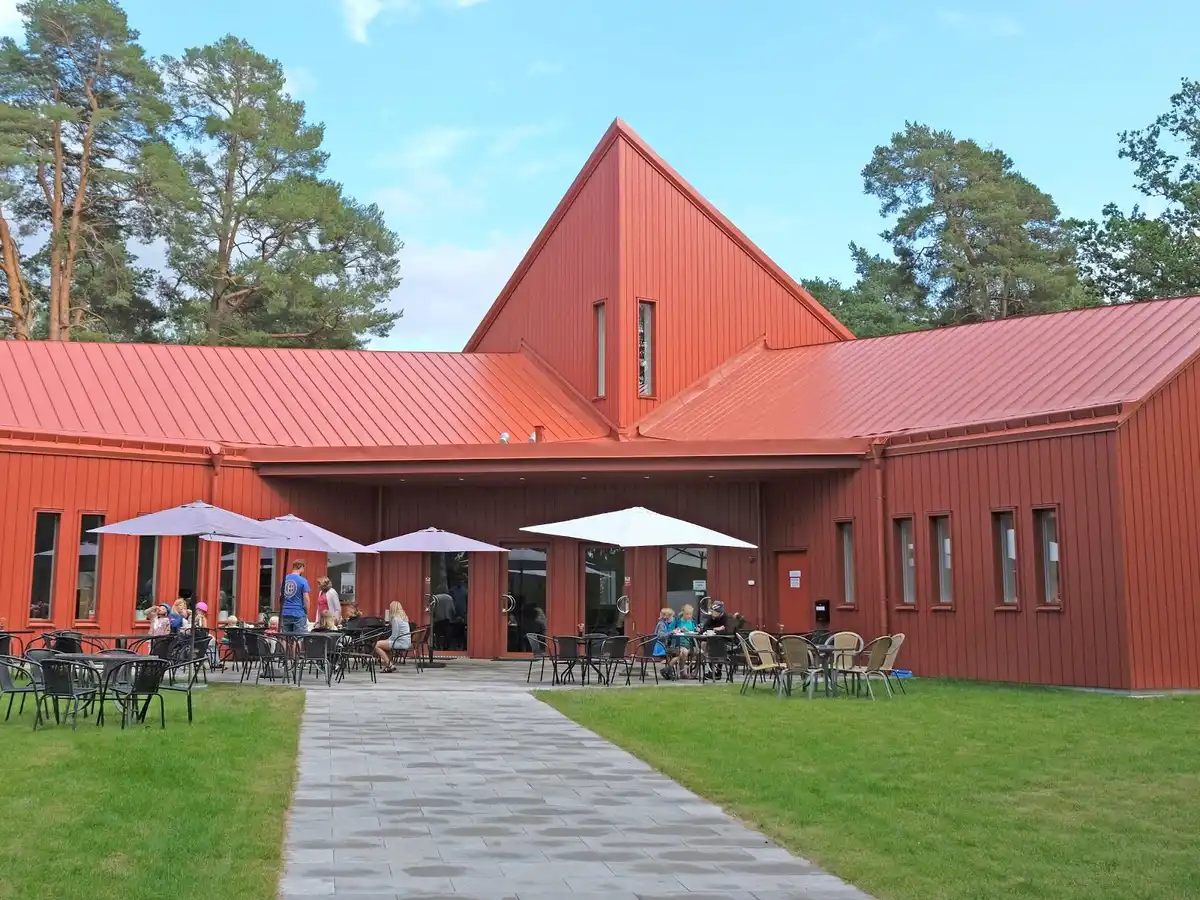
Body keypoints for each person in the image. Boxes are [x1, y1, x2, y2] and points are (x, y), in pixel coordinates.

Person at [375, 601, 411, 673]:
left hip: (400, 642)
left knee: (377, 645)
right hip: (406, 642)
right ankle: (389, 666)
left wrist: (387, 640)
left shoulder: (396, 619)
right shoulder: (404, 618)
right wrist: (387, 641)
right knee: (385, 646)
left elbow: (395, 635)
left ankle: (391, 666)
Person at [280, 560, 311, 634]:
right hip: (298, 613)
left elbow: (281, 597)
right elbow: (306, 599)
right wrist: (307, 612)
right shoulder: (303, 581)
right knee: (298, 638)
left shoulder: (284, 580)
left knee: (285, 638)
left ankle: (285, 646)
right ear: (300, 566)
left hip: (285, 612)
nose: (303, 570)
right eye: (303, 568)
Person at [672, 604, 698, 677]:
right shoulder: (677, 620)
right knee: (684, 652)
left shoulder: (692, 621)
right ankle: (683, 672)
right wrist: (678, 629)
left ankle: (695, 672)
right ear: (683, 612)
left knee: (701, 653)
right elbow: (670, 630)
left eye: (690, 614)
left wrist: (697, 629)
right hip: (678, 643)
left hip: (690, 644)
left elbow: (694, 630)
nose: (689, 616)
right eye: (687, 614)